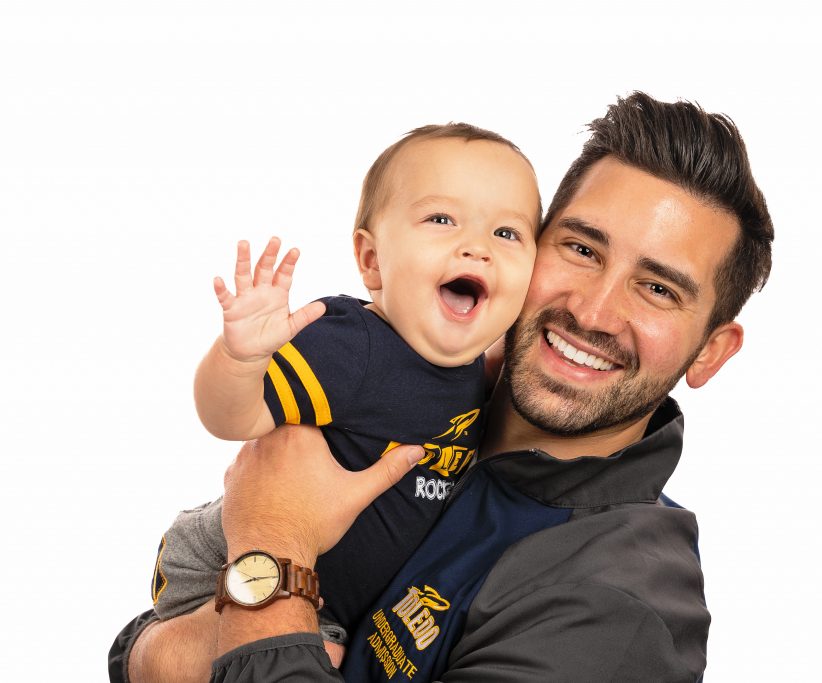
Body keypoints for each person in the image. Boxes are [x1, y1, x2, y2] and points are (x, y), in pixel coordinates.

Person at [111, 91, 774, 682]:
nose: (593, 312)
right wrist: (175, 651)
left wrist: (273, 538)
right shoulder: (423, 384)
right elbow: (144, 650)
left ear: (711, 351)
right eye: (580, 248)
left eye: (657, 288)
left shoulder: (616, 611)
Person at [145, 123, 541, 659]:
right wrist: (240, 359)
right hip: (231, 566)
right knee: (319, 660)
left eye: (507, 233)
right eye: (441, 219)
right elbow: (232, 418)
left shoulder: (487, 374)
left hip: (328, 601)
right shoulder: (353, 346)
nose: (476, 248)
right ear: (372, 260)